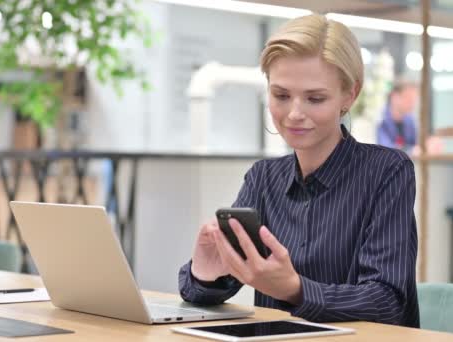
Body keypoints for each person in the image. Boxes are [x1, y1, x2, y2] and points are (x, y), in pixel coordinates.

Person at [178, 14, 419, 328]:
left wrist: (295, 289)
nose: (294, 114)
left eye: (315, 98)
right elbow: (209, 292)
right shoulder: (262, 178)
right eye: (281, 95)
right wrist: (206, 274)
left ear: (350, 95)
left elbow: (387, 302)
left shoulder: (387, 171)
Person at [377, 79, 419, 152]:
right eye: (408, 97)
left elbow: (416, 145)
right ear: (394, 96)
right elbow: (386, 151)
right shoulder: (380, 120)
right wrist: (412, 151)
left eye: (414, 99)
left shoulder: (410, 120)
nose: (412, 103)